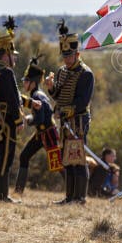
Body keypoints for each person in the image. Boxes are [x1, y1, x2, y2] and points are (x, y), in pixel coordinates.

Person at [46, 20, 95, 205]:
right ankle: (69, 197)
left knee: (79, 158)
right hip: (65, 122)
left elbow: (82, 102)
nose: (66, 59)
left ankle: (80, 198)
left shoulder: (86, 74)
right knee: (67, 158)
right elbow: (58, 96)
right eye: (64, 56)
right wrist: (51, 88)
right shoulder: (61, 72)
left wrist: (63, 111)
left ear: (77, 54)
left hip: (79, 121)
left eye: (70, 55)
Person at [0, 17, 23, 202]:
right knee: (5, 158)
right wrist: (19, 120)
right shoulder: (6, 72)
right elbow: (12, 99)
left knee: (1, 157)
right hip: (7, 122)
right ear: (5, 54)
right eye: (12, 54)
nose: (15, 57)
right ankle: (1, 195)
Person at [14, 55, 56, 195]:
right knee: (24, 156)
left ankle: (73, 195)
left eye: (26, 81)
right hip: (41, 133)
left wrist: (27, 119)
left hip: (49, 134)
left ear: (32, 82)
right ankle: (18, 191)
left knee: (59, 165)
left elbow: (40, 118)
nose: (24, 84)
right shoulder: (36, 94)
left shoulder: (37, 96)